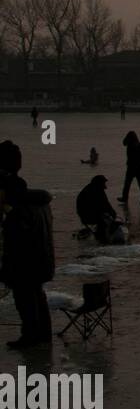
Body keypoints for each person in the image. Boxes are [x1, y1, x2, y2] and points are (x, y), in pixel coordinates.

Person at [0, 141, 55, 348]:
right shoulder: (40, 203)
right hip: (41, 259)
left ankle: (31, 336)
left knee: (25, 300)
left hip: (25, 262)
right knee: (37, 297)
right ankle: (42, 335)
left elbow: (16, 239)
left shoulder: (19, 208)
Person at [76, 175, 122, 244]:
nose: (104, 185)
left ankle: (101, 236)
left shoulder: (93, 189)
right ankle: (102, 239)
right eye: (103, 183)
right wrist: (112, 214)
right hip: (87, 215)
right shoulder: (95, 191)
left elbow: (105, 204)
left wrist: (112, 214)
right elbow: (105, 205)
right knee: (103, 221)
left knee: (105, 218)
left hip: (86, 214)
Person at [119, 130, 140, 205]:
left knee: (128, 184)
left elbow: (124, 143)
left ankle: (125, 198)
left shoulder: (130, 145)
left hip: (132, 167)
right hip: (139, 168)